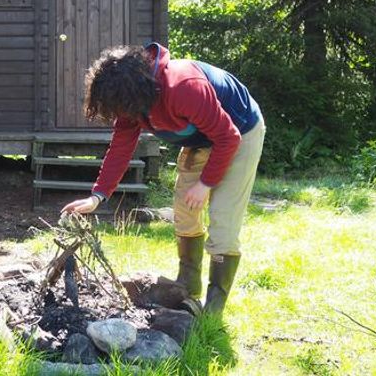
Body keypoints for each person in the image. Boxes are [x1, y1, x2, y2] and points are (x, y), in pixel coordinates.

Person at [61, 42, 265, 315]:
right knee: (184, 209)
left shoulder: (184, 87)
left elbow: (228, 137)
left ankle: (213, 308)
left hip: (239, 133)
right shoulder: (132, 102)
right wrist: (97, 196)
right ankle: (188, 284)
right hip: (204, 139)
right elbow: (121, 147)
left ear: (134, 93)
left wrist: (205, 184)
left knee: (223, 220)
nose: (119, 116)